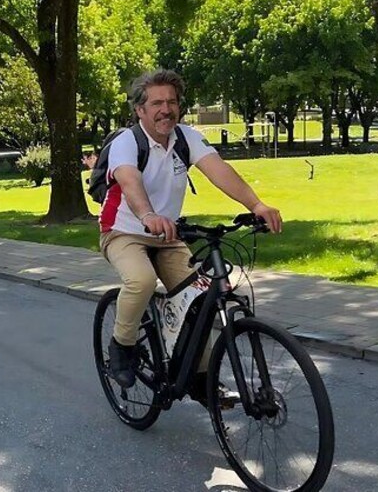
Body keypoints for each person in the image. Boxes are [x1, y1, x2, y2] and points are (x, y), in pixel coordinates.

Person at [100, 68, 282, 391]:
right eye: (156, 103)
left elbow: (219, 171)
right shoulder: (127, 142)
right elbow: (129, 180)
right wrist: (148, 215)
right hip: (123, 231)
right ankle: (122, 346)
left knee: (198, 299)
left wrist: (257, 205)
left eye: (171, 101)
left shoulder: (186, 138)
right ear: (140, 110)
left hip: (168, 235)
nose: (165, 109)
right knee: (141, 280)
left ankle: (199, 376)